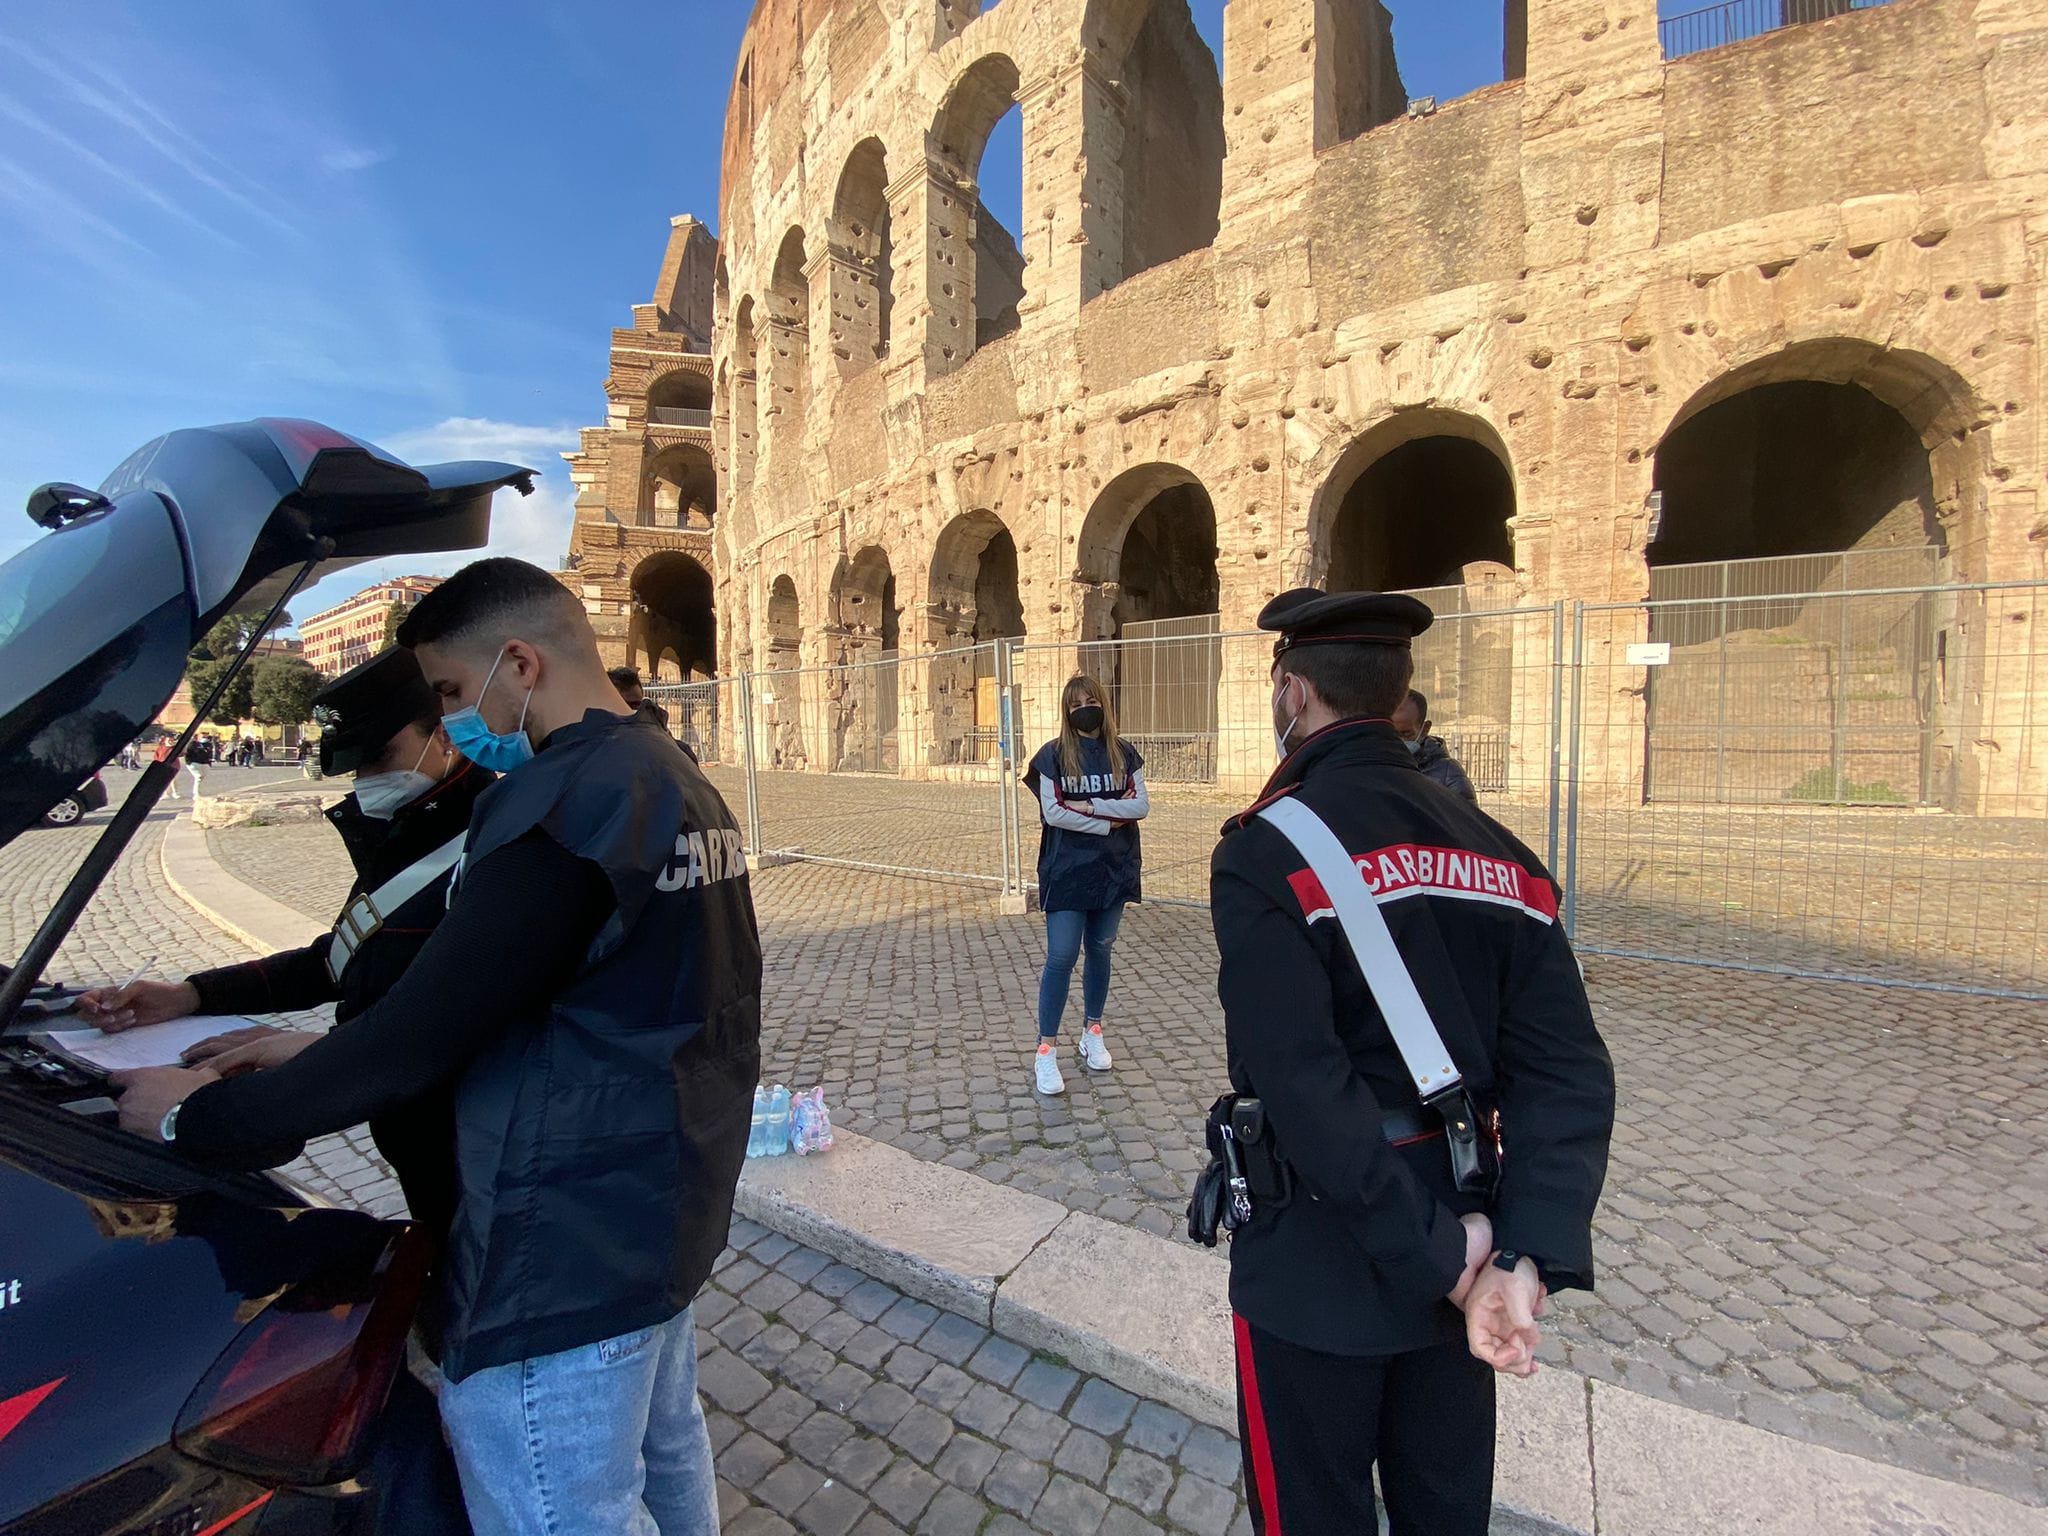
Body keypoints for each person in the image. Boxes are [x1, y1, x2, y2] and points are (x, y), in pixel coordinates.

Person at [109, 557, 762, 1536]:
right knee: (666, 1453)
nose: (458, 717)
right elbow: (514, 994)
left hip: (561, 1241)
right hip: (657, 1202)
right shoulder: (665, 774)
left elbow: (409, 1043)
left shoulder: (563, 804)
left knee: (560, 1504)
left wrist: (194, 1115)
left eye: (454, 692)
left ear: (518, 663)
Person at [1210, 588, 1614, 1535]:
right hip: (1470, 1244)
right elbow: (1568, 1075)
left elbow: (1303, 1088)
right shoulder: (1506, 856)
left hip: (1321, 1265)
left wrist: (1446, 1259)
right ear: (1399, 696)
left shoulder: (1267, 852)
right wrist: (1518, 1254)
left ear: (1294, 692)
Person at [81, 645, 493, 1358]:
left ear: (445, 734)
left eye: (376, 756)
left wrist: (210, 1105)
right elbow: (341, 955)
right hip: (425, 1156)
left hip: (482, 1162)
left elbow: (461, 1020)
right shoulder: (415, 827)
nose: (366, 779)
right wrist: (188, 995)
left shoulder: (493, 840)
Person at [1021, 674, 1147, 1095]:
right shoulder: (1052, 757)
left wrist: (1091, 806)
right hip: (1067, 869)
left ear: (1103, 703)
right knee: (1061, 955)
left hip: (1113, 869)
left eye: (1090, 700)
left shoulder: (1124, 753)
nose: (1083, 708)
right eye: (1075, 704)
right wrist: (1110, 822)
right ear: (1065, 711)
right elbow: (1054, 813)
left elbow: (1141, 805)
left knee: (1101, 948)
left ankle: (1093, 1029)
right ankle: (1045, 1051)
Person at [1392, 688, 1478, 803]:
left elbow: (1466, 819)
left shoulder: (1448, 774)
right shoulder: (1371, 765)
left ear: (1425, 729)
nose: (1397, 742)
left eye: (1406, 734)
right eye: (1391, 733)